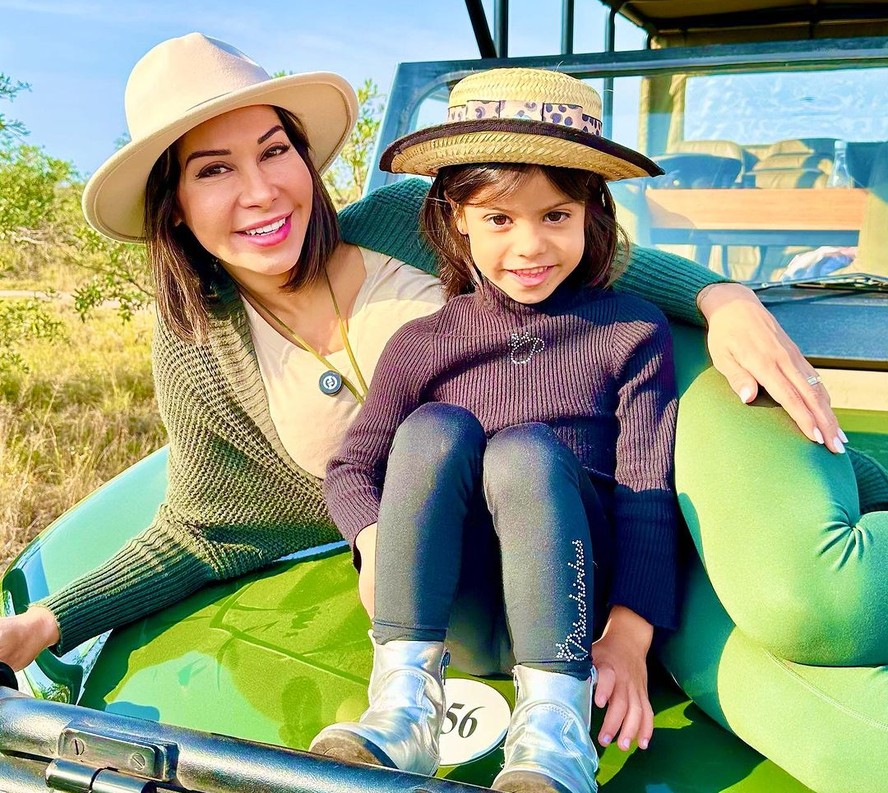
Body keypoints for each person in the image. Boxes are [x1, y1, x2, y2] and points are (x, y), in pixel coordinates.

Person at [0, 33, 851, 683]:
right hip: (469, 591)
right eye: (215, 170)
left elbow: (585, 252)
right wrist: (45, 623)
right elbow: (204, 529)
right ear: (176, 206)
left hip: (603, 489)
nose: (261, 191)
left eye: (274, 150)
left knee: (802, 605)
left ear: (304, 157)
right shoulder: (201, 349)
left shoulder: (407, 219)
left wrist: (723, 297)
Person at [309, 67, 680, 793]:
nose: (530, 245)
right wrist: (377, 544)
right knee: (434, 428)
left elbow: (647, 492)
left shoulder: (632, 330)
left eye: (556, 216)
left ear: (591, 213)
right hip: (458, 612)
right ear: (458, 218)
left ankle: (556, 732)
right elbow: (351, 469)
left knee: (523, 452)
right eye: (499, 220)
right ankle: (404, 706)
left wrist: (630, 638)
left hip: (576, 609)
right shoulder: (422, 342)